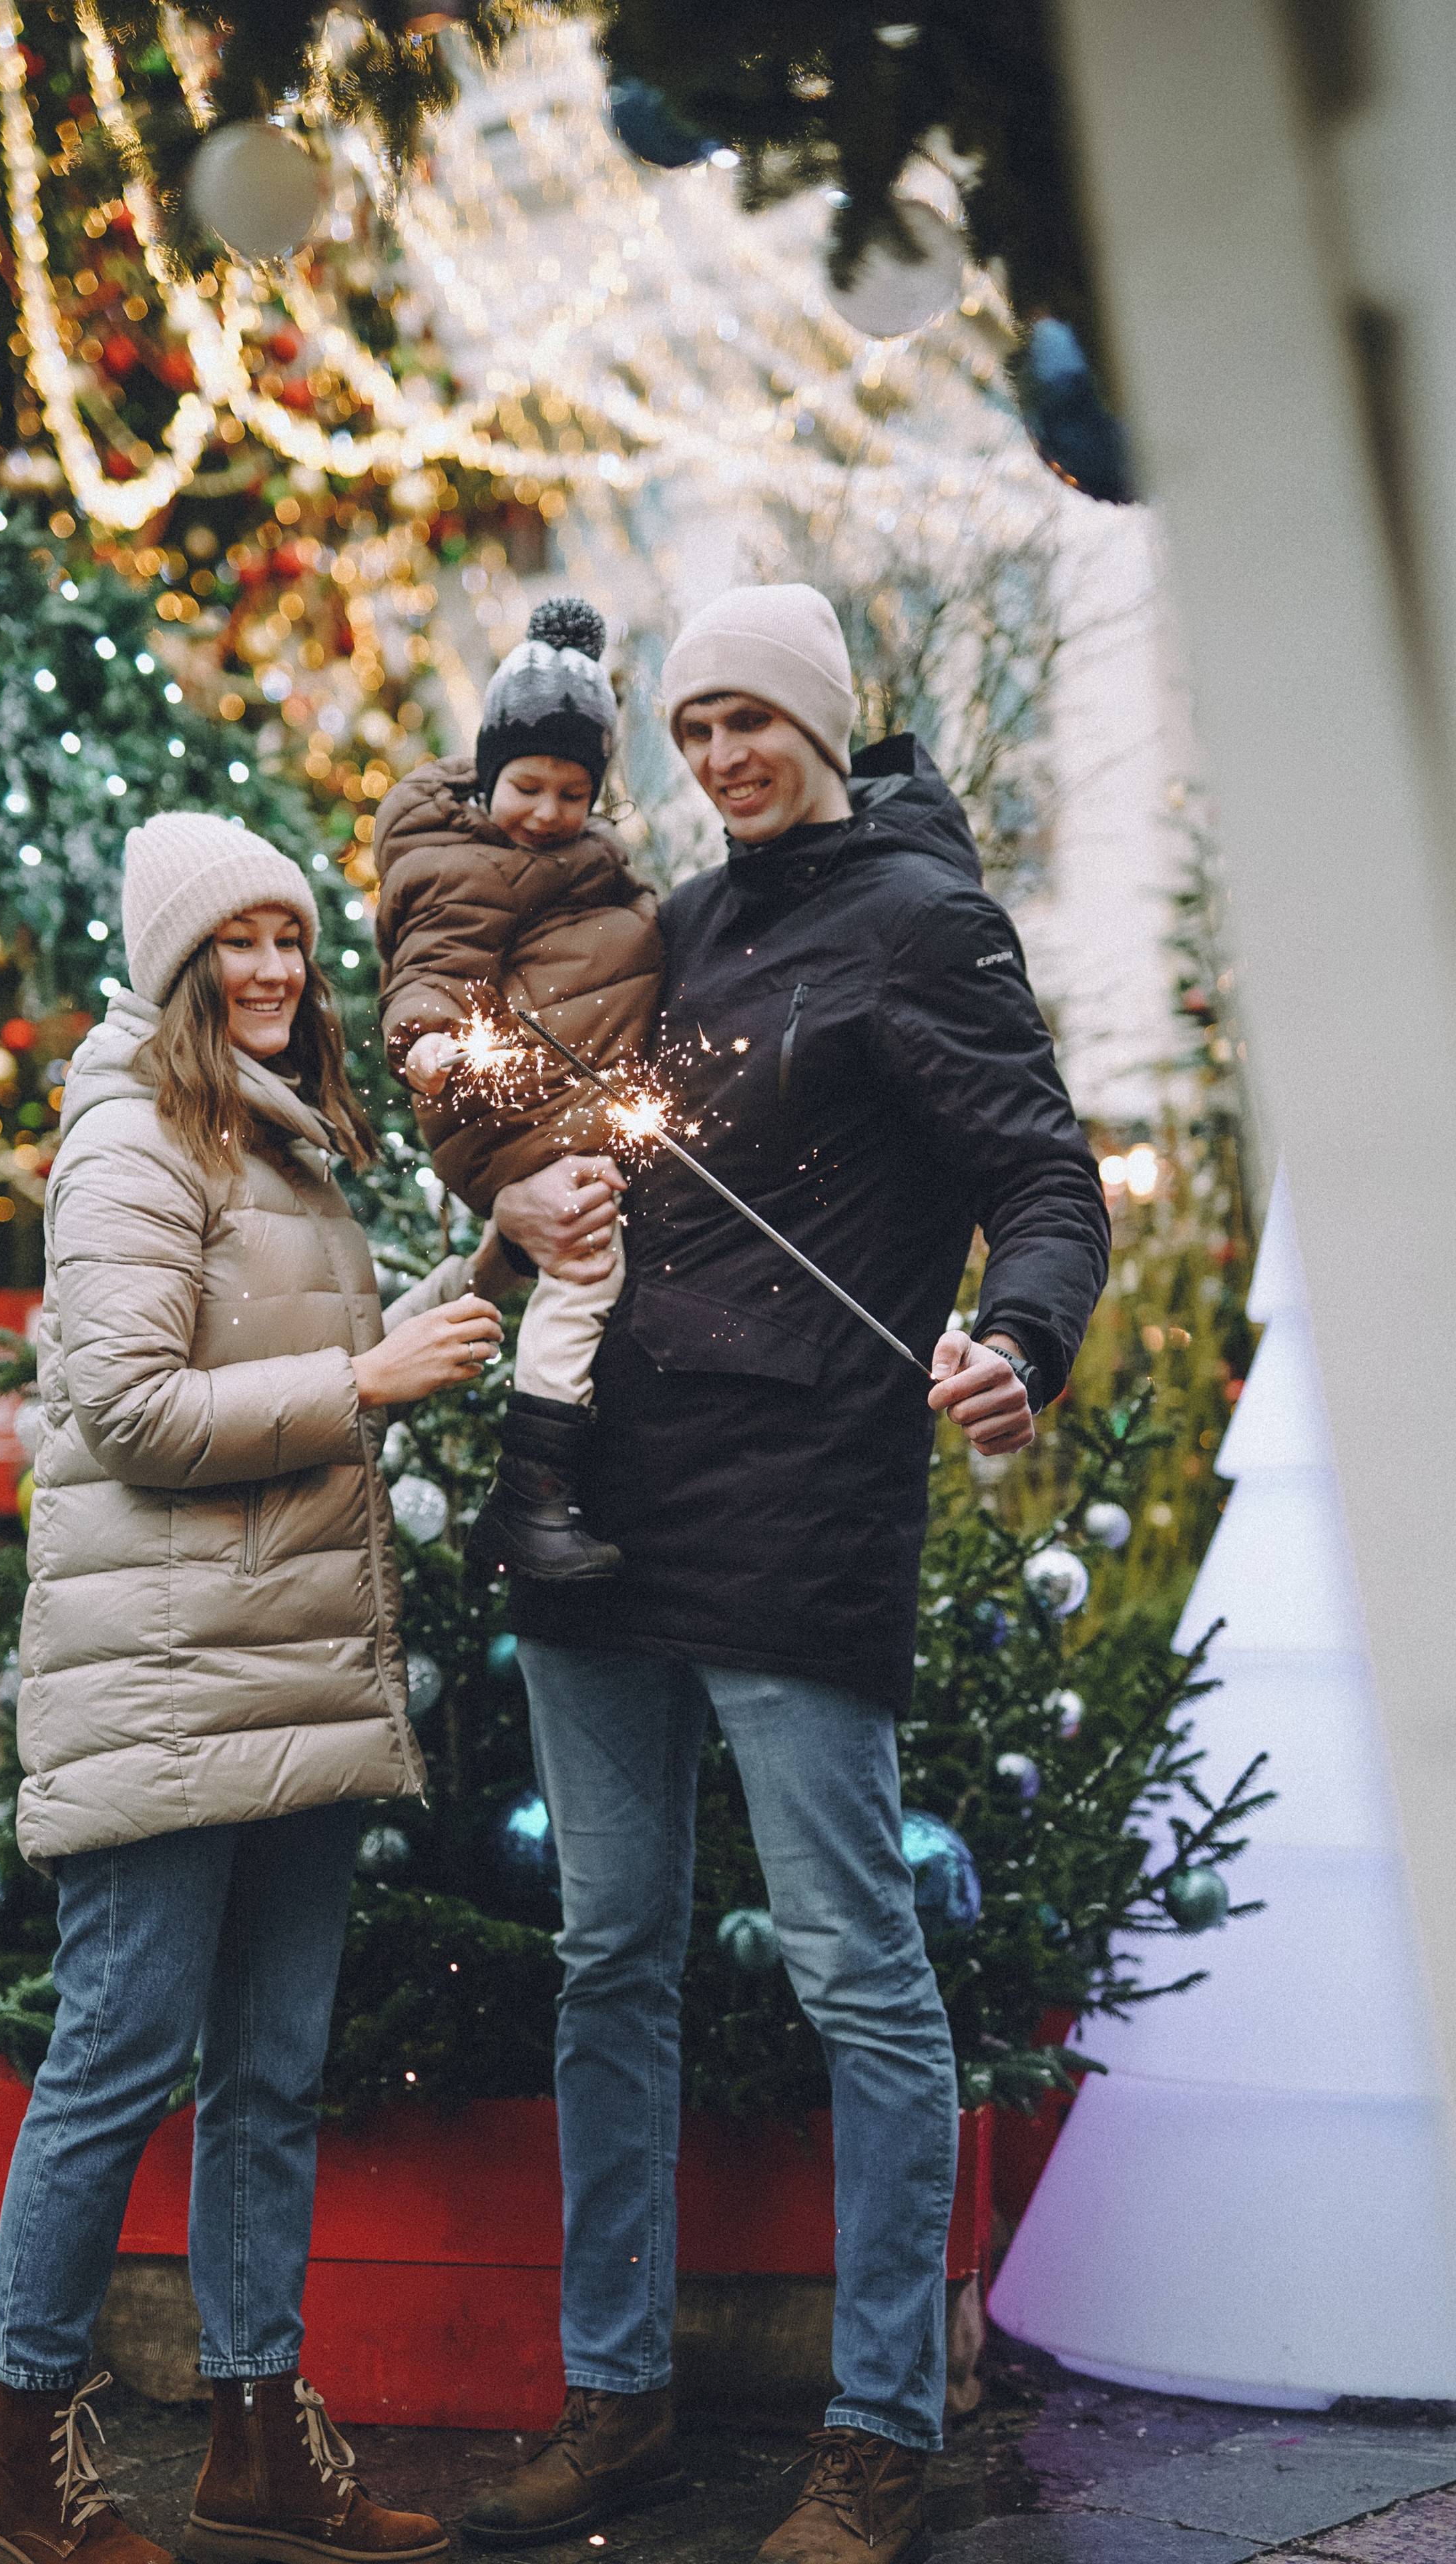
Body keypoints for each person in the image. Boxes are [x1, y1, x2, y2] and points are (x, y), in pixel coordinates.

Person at [465, 586, 1110, 2564]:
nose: (722, 755)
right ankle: (617, 2397)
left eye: (750, 718)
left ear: (825, 719)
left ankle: (879, 2427)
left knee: (853, 1968)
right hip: (598, 1497)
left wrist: (1023, 1338)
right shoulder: (680, 918)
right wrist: (515, 1193)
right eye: (692, 728)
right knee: (607, 1956)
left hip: (801, 1501)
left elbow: (1045, 1176)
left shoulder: (920, 921)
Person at [0, 811, 509, 2564]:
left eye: (288, 938)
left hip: (293, 1674)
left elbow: (327, 1358)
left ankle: (259, 2437)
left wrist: (495, 1262)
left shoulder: (278, 1134)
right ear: (176, 963)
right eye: (235, 942)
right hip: (169, 1684)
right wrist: (366, 1384)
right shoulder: (131, 1138)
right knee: (117, 2059)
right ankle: (17, 2458)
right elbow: (130, 1413)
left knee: (270, 2071)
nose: (272, 969)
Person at [373, 596, 662, 1582]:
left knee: (592, 1256)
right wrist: (425, 1041)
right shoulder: (464, 865)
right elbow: (433, 961)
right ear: (488, 774)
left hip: (564, 1100)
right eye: (527, 786)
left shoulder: (577, 862)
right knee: (588, 1265)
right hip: (502, 1107)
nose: (546, 811)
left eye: (572, 793)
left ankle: (543, 1486)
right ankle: (529, 1495)